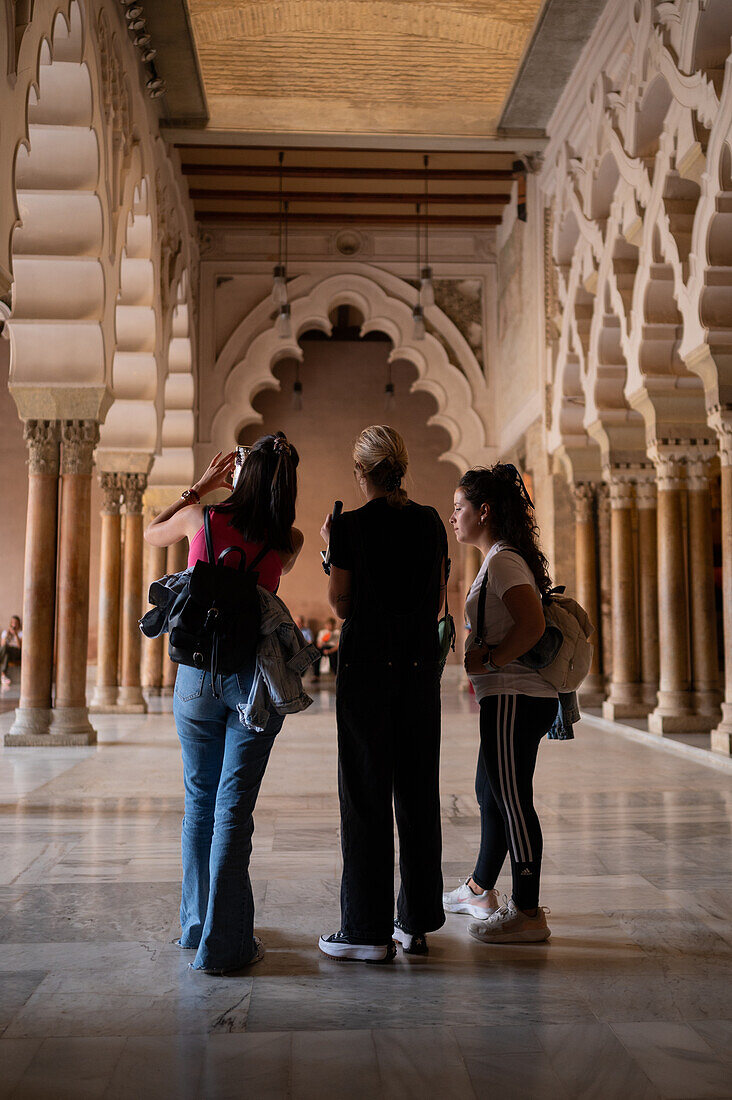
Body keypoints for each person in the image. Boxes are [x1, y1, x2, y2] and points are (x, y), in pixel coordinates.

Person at [144, 433, 303, 974]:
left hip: (193, 677)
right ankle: (224, 943)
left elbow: (150, 534)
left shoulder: (203, 521)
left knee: (198, 801)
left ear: (241, 476)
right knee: (233, 810)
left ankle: (196, 924)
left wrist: (200, 488)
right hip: (250, 682)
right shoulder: (288, 540)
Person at [318, 425, 448, 962]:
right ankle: (414, 924)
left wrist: (332, 550)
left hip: (368, 671)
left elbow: (342, 606)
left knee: (366, 794)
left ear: (360, 472)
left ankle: (366, 930)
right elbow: (438, 597)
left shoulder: (349, 526)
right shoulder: (432, 522)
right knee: (418, 793)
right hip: (418, 669)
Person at [445, 464, 558, 944]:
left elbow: (531, 626)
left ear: (483, 511)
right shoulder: (497, 558)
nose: (453, 517)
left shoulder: (505, 560)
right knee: (490, 792)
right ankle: (479, 889)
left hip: (515, 695)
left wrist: (489, 660)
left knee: (512, 800)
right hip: (505, 696)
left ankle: (528, 912)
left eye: (459, 508)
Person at [0, 615, 22, 689]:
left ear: (19, 624)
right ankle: (3, 676)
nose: (14, 624)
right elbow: (2, 645)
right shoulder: (5, 632)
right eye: (13, 622)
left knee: (6, 649)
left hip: (16, 653)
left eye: (16, 622)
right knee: (6, 654)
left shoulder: (21, 633)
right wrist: (7, 635)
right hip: (7, 652)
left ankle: (3, 676)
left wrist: (15, 634)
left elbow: (20, 647)